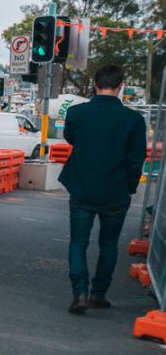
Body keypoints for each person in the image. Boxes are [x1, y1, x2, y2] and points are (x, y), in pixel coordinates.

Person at [59, 64, 146, 314]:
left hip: (82, 188)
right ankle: (99, 294)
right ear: (121, 87)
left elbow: (72, 139)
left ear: (95, 85)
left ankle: (80, 293)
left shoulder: (76, 113)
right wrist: (129, 186)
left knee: (78, 243)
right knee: (108, 244)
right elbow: (135, 159)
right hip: (116, 192)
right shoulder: (134, 120)